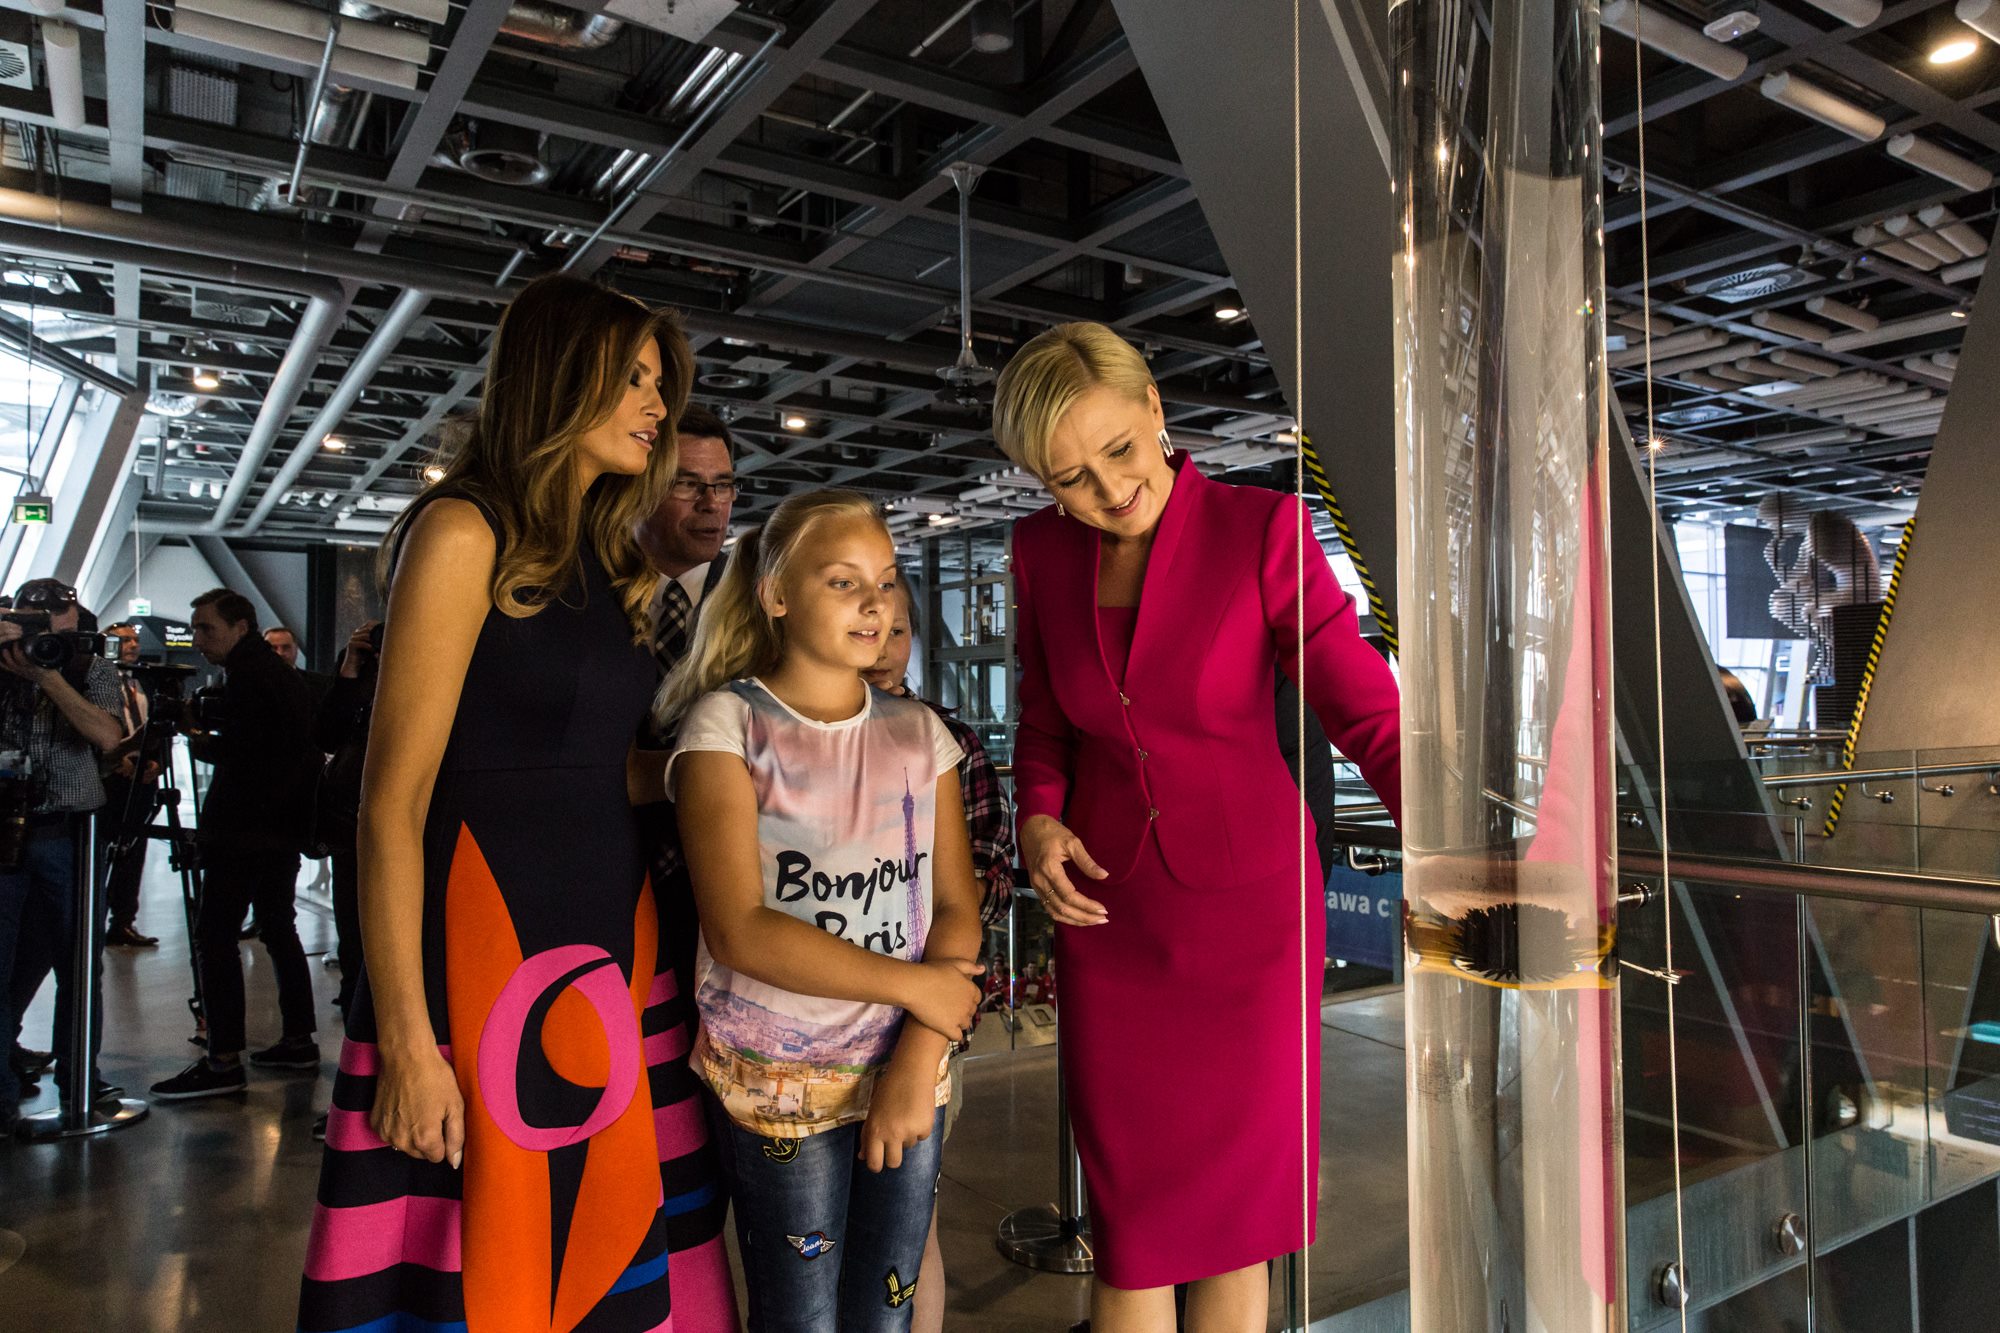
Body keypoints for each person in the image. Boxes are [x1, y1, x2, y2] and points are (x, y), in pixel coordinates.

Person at [296, 273, 738, 1333]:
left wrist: (737, 766)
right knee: (485, 1271)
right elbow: (391, 804)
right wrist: (408, 1042)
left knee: (600, 1257)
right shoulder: (464, 530)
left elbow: (595, 768)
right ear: (561, 377)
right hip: (481, 949)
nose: (657, 406)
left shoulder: (608, 554)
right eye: (634, 380)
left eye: (660, 383)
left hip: (609, 948)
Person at [991, 322, 1402, 1330]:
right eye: (1070, 478)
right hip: (1109, 922)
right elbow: (1043, 721)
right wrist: (1037, 818)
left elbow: (1364, 711)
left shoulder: (1262, 530)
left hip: (1249, 930)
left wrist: (1461, 845)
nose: (1108, 490)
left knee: (1235, 1226)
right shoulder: (1040, 552)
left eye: (1119, 450)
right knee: (1130, 1234)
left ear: (1156, 410)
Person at [659, 490, 985, 1333]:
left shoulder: (919, 733)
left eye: (885, 580)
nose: (874, 603)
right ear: (775, 593)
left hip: (906, 1067)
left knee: (888, 1307)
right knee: (800, 1315)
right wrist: (916, 988)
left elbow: (955, 903)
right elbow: (740, 928)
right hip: (780, 1083)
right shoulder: (728, 725)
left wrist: (919, 1053)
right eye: (844, 582)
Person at [860, 580, 1013, 1333]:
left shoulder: (945, 739)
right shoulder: (779, 733)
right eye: (869, 627)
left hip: (922, 1027)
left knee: (910, 1230)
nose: (883, 648)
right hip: (809, 1036)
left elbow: (988, 884)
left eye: (899, 631)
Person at [149, 588, 320, 1099]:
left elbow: (248, 755)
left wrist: (195, 733)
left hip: (246, 830)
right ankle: (298, 1039)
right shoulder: (276, 674)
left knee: (215, 934)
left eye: (207, 628)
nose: (198, 639)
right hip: (278, 828)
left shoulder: (250, 676)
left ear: (240, 627)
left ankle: (222, 1059)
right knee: (278, 927)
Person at [0, 578, 127, 1134]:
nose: (43, 630)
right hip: (4, 830)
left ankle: (79, 1083)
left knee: (78, 964)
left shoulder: (88, 667)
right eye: (32, 620)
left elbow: (107, 736)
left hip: (67, 830)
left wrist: (47, 677)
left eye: (55, 620)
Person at [310, 620, 381, 1017]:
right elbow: (326, 735)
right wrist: (350, 670)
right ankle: (354, 1001)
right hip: (352, 813)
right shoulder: (360, 663)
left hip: (408, 809)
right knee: (352, 923)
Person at [636, 402, 739, 673]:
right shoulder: (583, 589)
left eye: (723, 486)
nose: (712, 503)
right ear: (636, 489)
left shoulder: (757, 599)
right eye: (687, 484)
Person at [100, 623, 162, 949]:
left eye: (135, 639)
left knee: (134, 852)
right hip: (109, 780)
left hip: (142, 779)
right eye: (124, 640)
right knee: (103, 852)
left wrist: (155, 762)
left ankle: (123, 921)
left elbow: (157, 726)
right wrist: (116, 760)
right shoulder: (97, 681)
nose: (133, 645)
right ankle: (93, 919)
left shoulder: (144, 681)